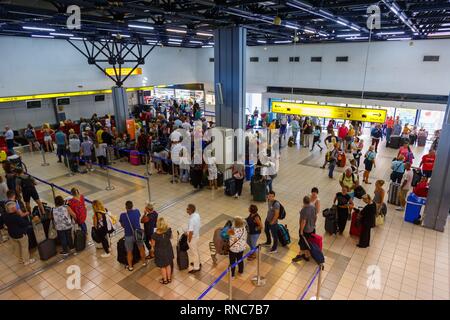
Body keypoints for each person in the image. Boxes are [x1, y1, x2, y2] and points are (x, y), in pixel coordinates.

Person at [119, 201, 147, 271]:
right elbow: (138, 219)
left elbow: (123, 225)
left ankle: (130, 266)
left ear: (126, 207)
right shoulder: (137, 211)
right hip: (138, 233)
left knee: (129, 252)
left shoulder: (123, 215)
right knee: (141, 248)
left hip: (128, 235)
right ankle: (144, 262)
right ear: (132, 206)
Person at [292, 195, 317, 262]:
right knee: (308, 242)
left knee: (302, 242)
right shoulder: (313, 206)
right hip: (312, 228)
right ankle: (307, 255)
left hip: (306, 230)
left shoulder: (304, 210)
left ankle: (300, 255)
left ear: (303, 202)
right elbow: (315, 217)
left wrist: (301, 230)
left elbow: (303, 221)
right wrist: (314, 224)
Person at [151, 217, 174, 284]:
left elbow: (153, 245)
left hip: (160, 252)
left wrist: (152, 249)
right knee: (168, 265)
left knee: (162, 266)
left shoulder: (154, 235)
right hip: (168, 250)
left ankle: (165, 280)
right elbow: (171, 237)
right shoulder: (168, 230)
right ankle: (169, 279)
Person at [186, 203, 201, 273]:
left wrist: (189, 240)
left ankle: (196, 267)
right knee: (196, 250)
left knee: (194, 252)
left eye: (187, 209)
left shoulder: (191, 220)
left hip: (193, 238)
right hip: (197, 236)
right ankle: (198, 262)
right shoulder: (197, 215)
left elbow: (191, 232)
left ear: (191, 210)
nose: (186, 210)